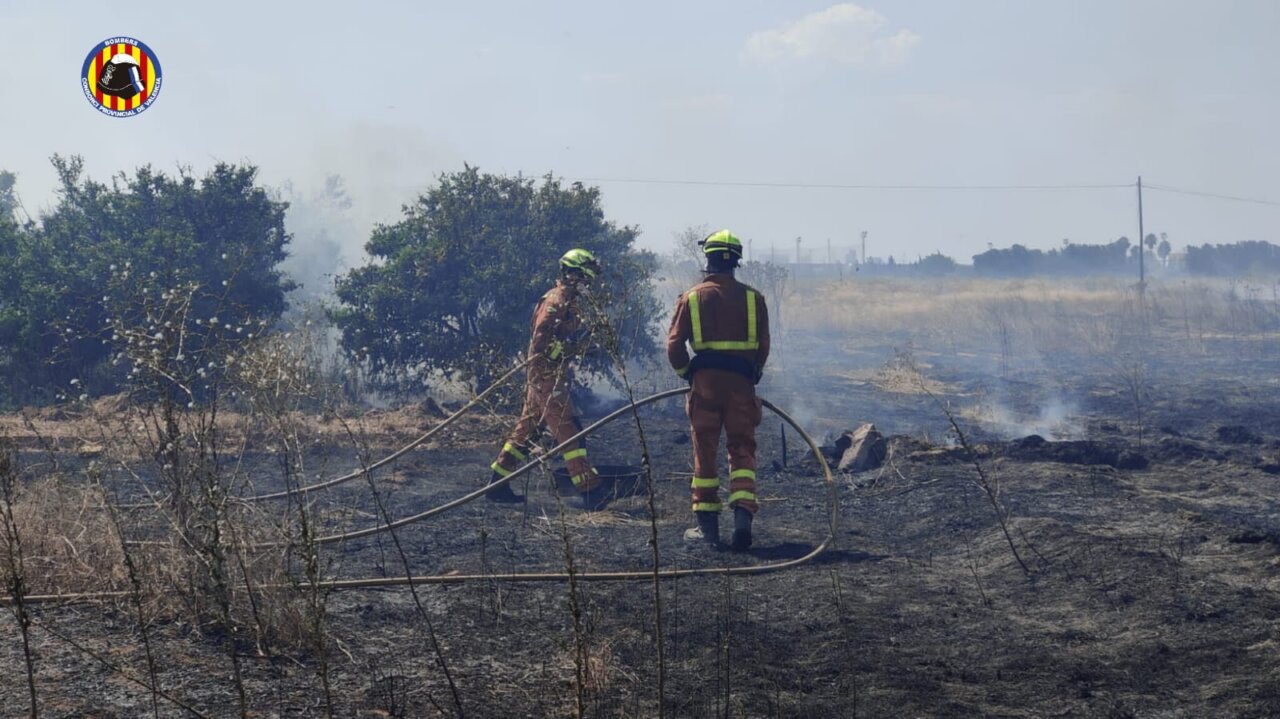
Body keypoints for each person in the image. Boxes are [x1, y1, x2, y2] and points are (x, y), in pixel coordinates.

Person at [666, 230, 770, 550]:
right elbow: (762, 348)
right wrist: (752, 375)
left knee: (705, 453)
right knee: (742, 450)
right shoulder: (755, 299)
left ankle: (708, 532)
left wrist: (688, 373)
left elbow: (674, 345)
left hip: (706, 386)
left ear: (707, 259)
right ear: (736, 261)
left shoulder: (692, 297)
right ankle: (742, 520)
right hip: (741, 385)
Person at [485, 248, 612, 510]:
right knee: (569, 431)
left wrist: (584, 347)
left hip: (550, 375)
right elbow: (542, 340)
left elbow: (563, 337)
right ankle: (590, 491)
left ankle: (497, 485)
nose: (588, 283)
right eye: (586, 277)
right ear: (573, 274)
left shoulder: (569, 301)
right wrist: (568, 350)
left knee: (527, 430)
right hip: (545, 375)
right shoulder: (555, 301)